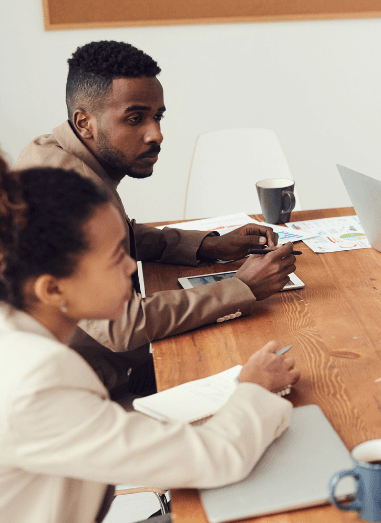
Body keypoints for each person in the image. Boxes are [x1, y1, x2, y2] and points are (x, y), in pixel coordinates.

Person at [0, 165, 301, 523]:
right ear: (52, 289)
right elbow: (216, 457)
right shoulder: (38, 379)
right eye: (116, 257)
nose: (132, 266)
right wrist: (254, 388)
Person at [15, 40, 297, 393]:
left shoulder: (58, 153)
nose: (156, 134)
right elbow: (121, 325)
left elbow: (116, 237)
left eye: (157, 116)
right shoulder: (58, 192)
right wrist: (241, 288)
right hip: (104, 389)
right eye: (135, 119)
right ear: (84, 122)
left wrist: (211, 246)